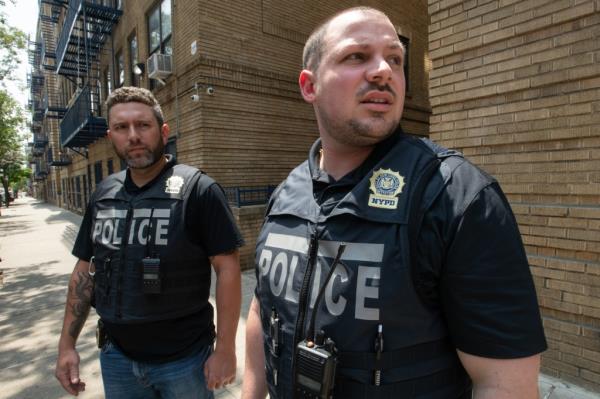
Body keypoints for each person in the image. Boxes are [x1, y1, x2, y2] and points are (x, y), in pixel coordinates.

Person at [242, 7, 547, 399]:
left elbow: (507, 385)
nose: (383, 70)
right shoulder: (287, 192)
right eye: (357, 56)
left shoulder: (457, 196)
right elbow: (260, 309)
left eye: (395, 59)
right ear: (309, 86)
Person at [55, 86, 243, 398]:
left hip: (184, 361)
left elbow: (228, 269)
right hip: (116, 357)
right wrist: (66, 344)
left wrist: (225, 349)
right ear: (111, 136)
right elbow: (85, 270)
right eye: (121, 127)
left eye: (143, 125)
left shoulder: (199, 190)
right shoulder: (103, 194)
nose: (133, 136)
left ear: (163, 131)